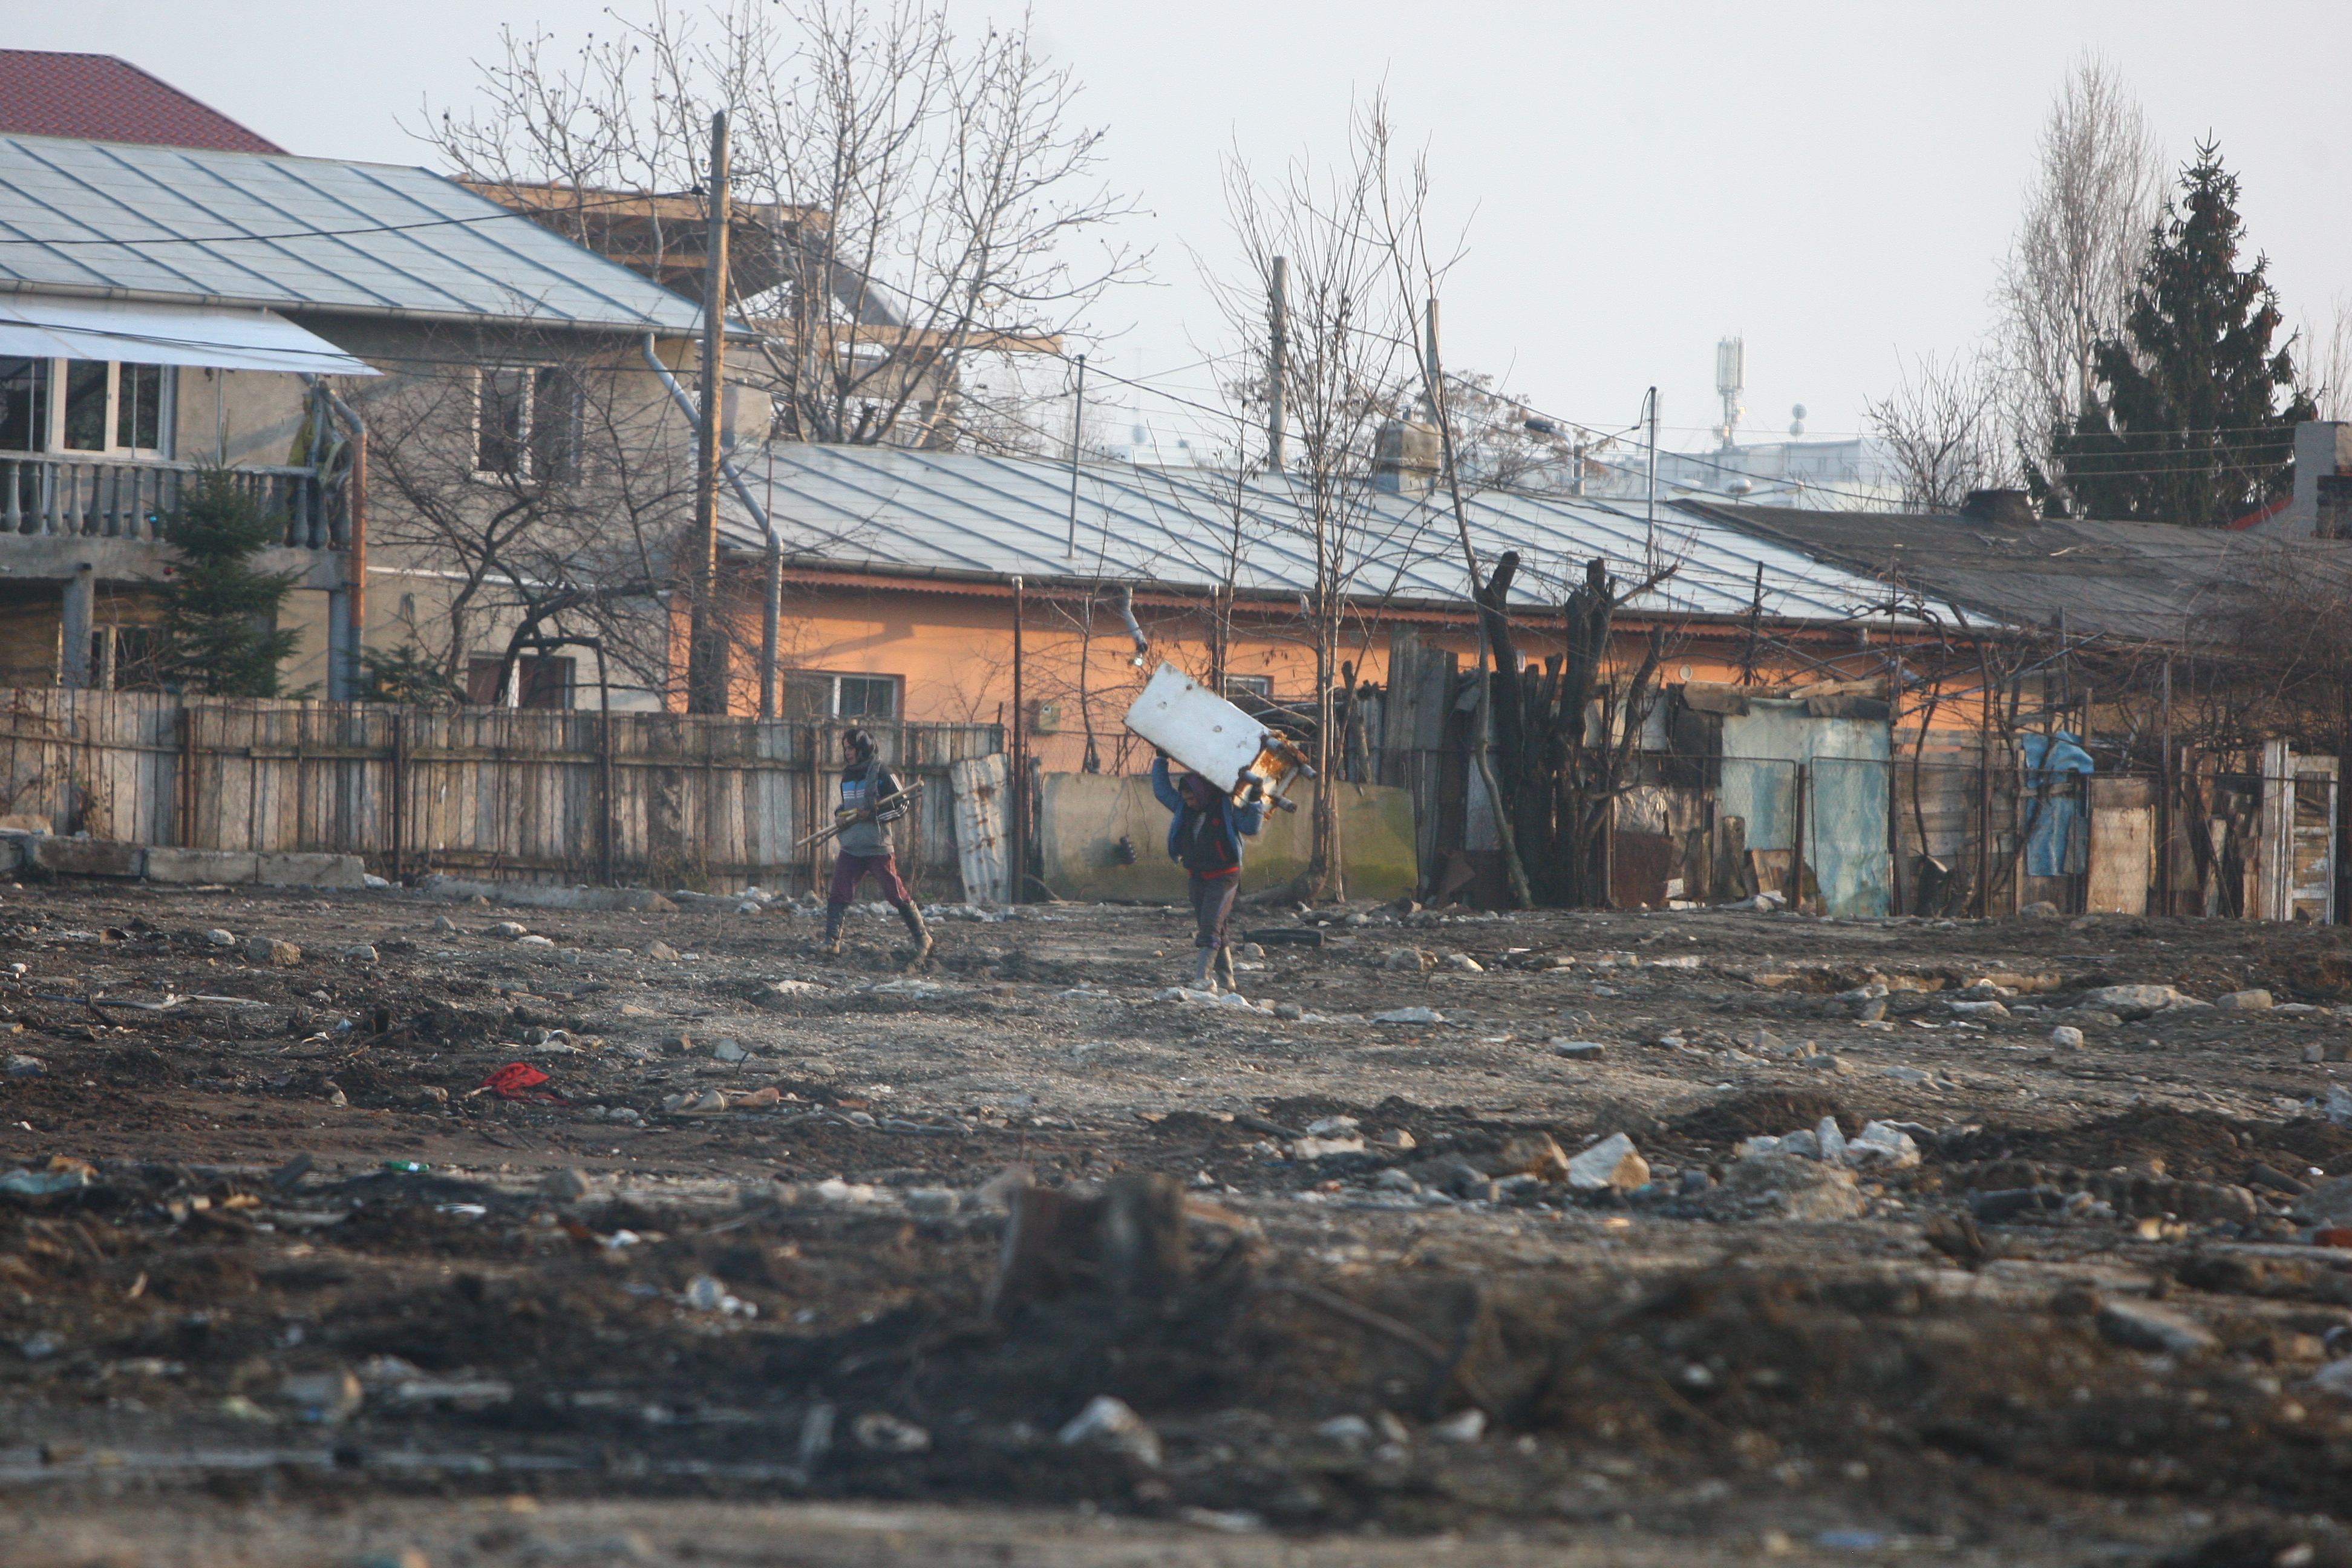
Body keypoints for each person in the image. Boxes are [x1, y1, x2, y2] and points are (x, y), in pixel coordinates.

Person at [1151, 752, 1264, 991]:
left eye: (1193, 798)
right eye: (1187, 799)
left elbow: (1250, 827)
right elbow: (1162, 791)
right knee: (1214, 925)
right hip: (1197, 876)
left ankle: (1201, 979)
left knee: (1210, 926)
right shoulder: (1184, 808)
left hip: (1225, 876)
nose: (1190, 803)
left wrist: (1255, 799)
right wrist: (1161, 760)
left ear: (1203, 793)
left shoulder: (1227, 807)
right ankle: (1227, 981)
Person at [820, 728, 932, 964]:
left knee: (895, 894)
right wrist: (840, 815)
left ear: (863, 749)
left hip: (877, 846)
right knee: (839, 892)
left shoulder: (881, 772)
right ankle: (832, 942)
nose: (847, 753)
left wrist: (873, 814)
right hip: (851, 845)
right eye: (846, 748)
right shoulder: (848, 776)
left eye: (851, 748)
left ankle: (923, 938)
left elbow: (901, 806)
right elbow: (847, 805)